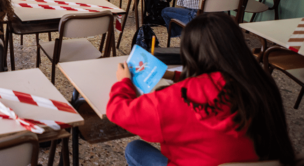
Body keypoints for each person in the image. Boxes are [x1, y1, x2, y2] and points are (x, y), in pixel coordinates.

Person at [107, 13, 296, 166]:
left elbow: (118, 111)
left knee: (134, 149)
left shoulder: (176, 99)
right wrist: (173, 75)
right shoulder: (259, 81)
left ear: (191, 52)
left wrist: (123, 82)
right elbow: (214, 85)